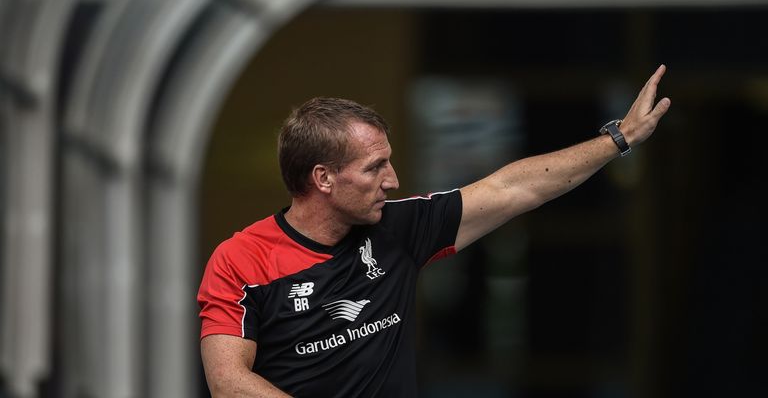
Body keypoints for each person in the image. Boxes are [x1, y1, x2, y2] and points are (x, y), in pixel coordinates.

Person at [198, 65, 671, 397]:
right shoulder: (242, 259)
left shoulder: (399, 228)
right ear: (323, 178)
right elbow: (228, 382)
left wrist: (618, 138)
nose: (393, 180)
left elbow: (513, 189)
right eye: (374, 168)